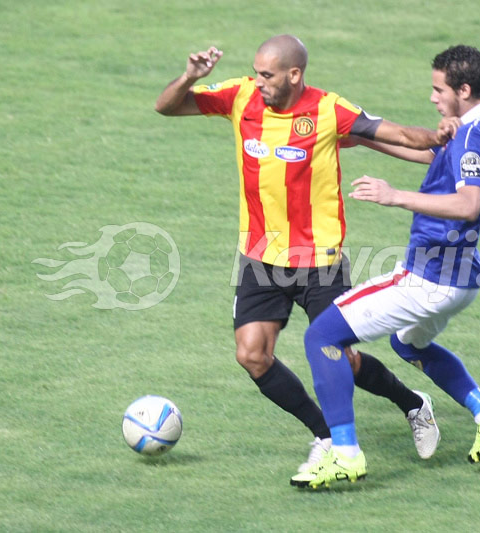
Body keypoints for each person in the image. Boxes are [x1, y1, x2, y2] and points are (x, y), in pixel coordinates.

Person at [155, 35, 453, 481]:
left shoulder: (328, 110)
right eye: (257, 72)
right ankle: (327, 437)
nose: (260, 82)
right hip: (260, 257)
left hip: (319, 260)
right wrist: (190, 77)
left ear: (295, 75)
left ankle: (413, 403)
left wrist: (439, 136)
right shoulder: (240, 96)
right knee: (252, 355)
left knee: (342, 360)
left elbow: (392, 133)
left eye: (269, 75)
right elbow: (167, 106)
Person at [293, 45, 480, 489]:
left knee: (322, 336)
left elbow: (468, 204)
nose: (433, 98)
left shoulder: (471, 137)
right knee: (409, 343)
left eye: (439, 90)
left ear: (463, 90)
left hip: (428, 279)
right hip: (463, 275)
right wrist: (363, 137)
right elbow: (437, 159)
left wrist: (395, 196)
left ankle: (345, 455)